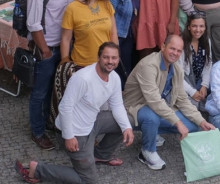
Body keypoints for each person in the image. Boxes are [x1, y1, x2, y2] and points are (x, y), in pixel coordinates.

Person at [15, 43, 134, 184]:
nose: (110, 61)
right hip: (76, 132)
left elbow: (117, 104)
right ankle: (38, 170)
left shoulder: (114, 77)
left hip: (92, 122)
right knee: (88, 180)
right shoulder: (83, 78)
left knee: (129, 121)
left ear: (118, 59)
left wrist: (126, 127)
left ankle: (101, 155)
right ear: (98, 58)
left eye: (114, 58)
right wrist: (69, 136)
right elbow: (65, 107)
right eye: (106, 57)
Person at [122, 35, 216, 170]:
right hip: (135, 108)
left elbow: (182, 99)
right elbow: (154, 100)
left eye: (179, 51)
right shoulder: (149, 65)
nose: (175, 53)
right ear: (163, 46)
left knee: (193, 126)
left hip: (158, 107)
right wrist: (177, 123)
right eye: (172, 48)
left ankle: (152, 132)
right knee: (152, 116)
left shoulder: (176, 69)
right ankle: (147, 151)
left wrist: (202, 121)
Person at [26, 0, 78, 150]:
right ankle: (37, 131)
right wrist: (45, 50)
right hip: (46, 48)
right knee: (40, 92)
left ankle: (49, 121)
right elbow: (33, 23)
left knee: (55, 90)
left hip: (64, 47)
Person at [108, 0, 137, 87]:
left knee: (126, 72)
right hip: (117, 36)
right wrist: (114, 42)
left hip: (128, 35)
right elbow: (109, 17)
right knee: (119, 73)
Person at [179, 13, 213, 111]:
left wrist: (204, 85)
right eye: (194, 26)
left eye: (201, 26)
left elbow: (208, 65)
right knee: (193, 107)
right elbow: (177, 75)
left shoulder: (206, 41)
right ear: (188, 27)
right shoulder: (182, 43)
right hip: (185, 81)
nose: (198, 30)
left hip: (199, 81)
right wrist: (192, 92)